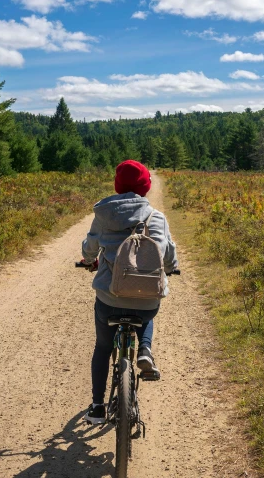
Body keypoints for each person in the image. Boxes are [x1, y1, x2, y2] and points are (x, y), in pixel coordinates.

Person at [79, 160, 179, 424]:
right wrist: (171, 269)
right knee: (147, 311)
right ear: (145, 186)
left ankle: (97, 406)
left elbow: (90, 247)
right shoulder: (156, 217)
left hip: (109, 297)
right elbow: (167, 252)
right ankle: (145, 349)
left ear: (117, 185)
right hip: (146, 299)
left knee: (102, 347)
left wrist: (89, 259)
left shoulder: (103, 215)